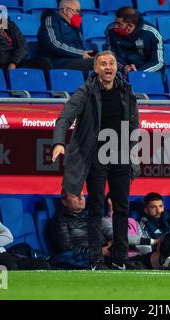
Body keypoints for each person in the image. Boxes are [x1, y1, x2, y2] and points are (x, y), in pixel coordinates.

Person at [52, 50, 139, 271]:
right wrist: (58, 143)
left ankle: (121, 258)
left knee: (121, 208)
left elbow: (134, 125)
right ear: (96, 69)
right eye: (103, 64)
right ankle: (95, 260)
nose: (108, 67)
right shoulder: (86, 91)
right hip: (96, 156)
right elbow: (65, 117)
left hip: (120, 154)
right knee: (95, 207)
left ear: (116, 67)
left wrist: (133, 154)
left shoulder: (126, 90)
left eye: (111, 63)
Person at [103, 193, 170, 270]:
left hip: (140, 257)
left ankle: (169, 260)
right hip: (122, 258)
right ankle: (131, 266)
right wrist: (154, 241)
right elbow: (120, 237)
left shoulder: (133, 222)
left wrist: (150, 255)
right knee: (116, 243)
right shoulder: (104, 221)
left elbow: (144, 246)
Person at [37, 0, 94, 71]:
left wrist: (88, 54)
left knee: (106, 60)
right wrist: (81, 53)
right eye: (76, 11)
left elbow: (80, 47)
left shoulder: (75, 26)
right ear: (65, 10)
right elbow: (54, 43)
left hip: (74, 59)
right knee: (97, 63)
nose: (78, 14)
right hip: (57, 62)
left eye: (79, 12)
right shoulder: (52, 19)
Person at [106, 7, 164, 77]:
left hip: (146, 73)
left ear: (130, 26)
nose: (115, 26)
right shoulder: (111, 30)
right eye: (115, 22)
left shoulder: (152, 34)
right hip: (121, 71)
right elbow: (111, 54)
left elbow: (158, 62)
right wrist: (124, 67)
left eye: (119, 24)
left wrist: (138, 73)